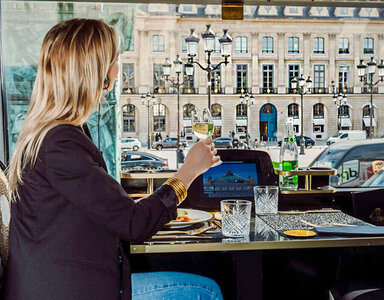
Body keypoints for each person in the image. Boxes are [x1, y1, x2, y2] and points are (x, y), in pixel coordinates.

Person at [5, 19, 222, 300]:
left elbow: (106, 209)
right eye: (114, 60)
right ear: (95, 73)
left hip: (66, 280)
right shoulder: (61, 143)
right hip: (71, 288)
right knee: (207, 290)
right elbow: (134, 224)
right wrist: (188, 172)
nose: (119, 70)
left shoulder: (53, 134)